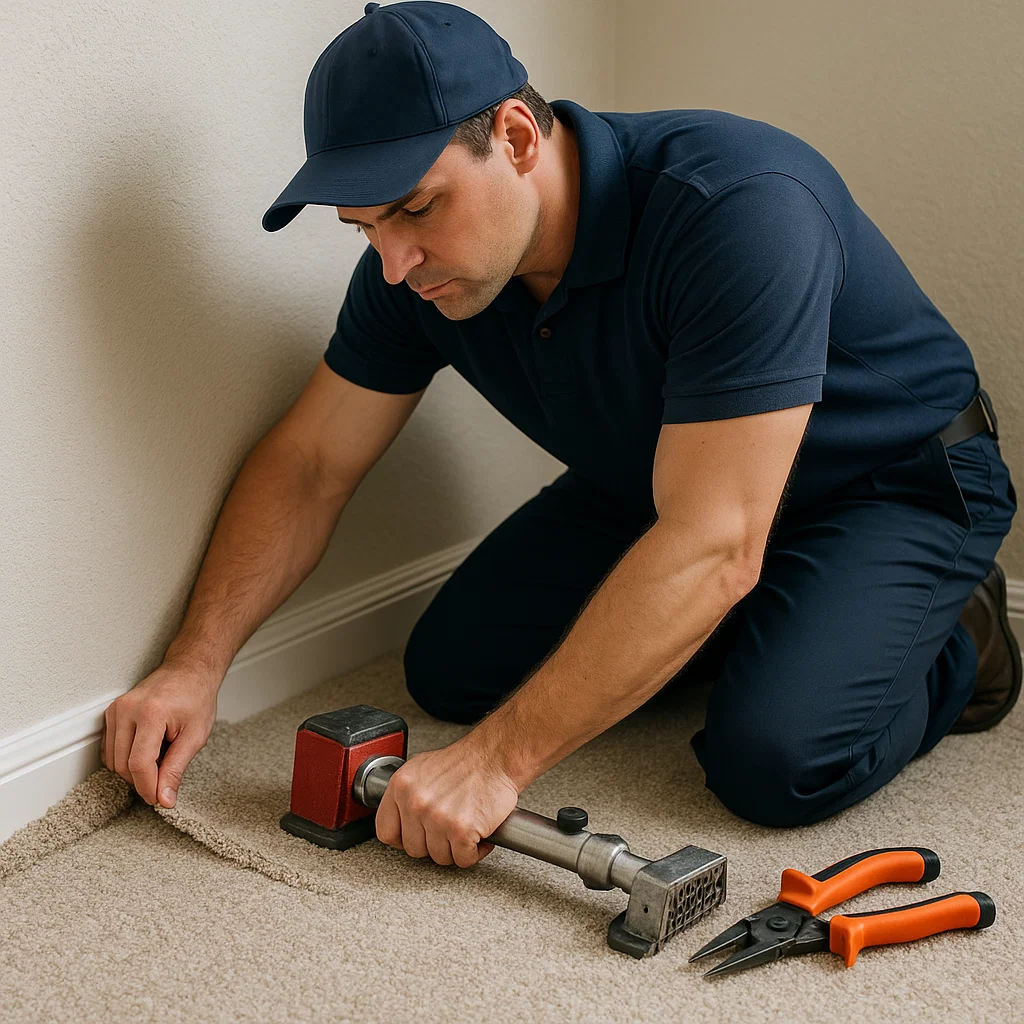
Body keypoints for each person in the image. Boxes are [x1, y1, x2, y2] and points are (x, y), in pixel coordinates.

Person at [102, 2, 1019, 868]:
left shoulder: (739, 205)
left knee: (771, 760)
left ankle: (957, 641)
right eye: (364, 228)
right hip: (662, 482)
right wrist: (195, 664)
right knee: (453, 671)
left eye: (417, 208)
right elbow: (310, 463)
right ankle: (763, 610)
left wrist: (495, 765)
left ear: (515, 136)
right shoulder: (410, 274)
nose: (394, 263)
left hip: (892, 481)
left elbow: (712, 540)